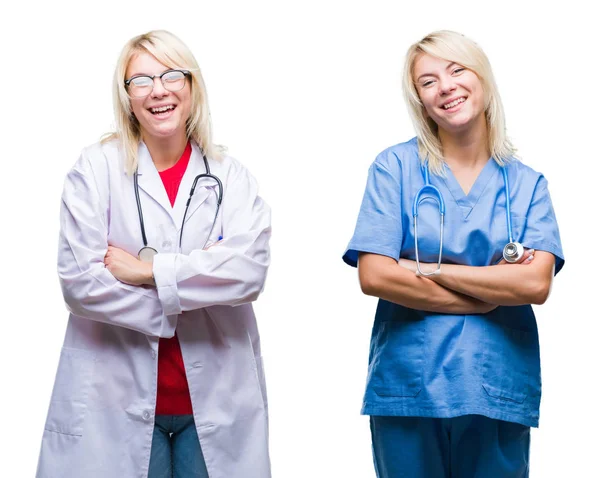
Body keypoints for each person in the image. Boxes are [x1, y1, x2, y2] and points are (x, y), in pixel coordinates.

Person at [36, 30, 272, 478]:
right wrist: (195, 279)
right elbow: (80, 283)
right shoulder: (95, 169)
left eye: (171, 75)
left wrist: (145, 271)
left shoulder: (230, 176)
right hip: (112, 399)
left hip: (215, 403)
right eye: (140, 81)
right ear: (126, 98)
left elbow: (249, 273)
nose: (158, 90)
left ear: (191, 85)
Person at [343, 30, 564, 477]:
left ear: (481, 77)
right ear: (420, 101)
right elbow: (375, 276)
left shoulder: (526, 185)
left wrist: (426, 268)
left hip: (495, 387)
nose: (445, 86)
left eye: (456, 69)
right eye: (427, 81)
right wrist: (490, 291)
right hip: (410, 389)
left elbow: (535, 284)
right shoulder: (395, 168)